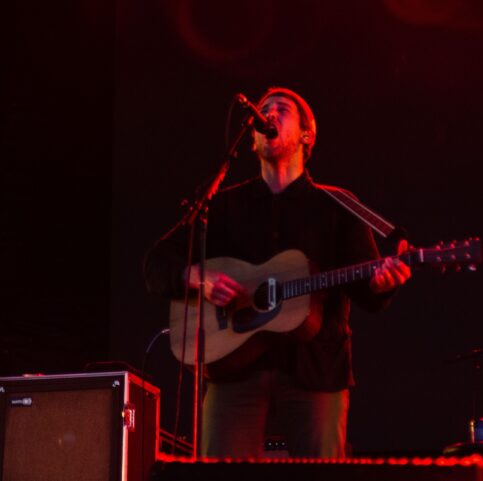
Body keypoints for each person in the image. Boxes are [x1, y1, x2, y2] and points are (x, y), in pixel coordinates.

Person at [144, 87, 411, 458]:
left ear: (307, 135)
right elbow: (157, 264)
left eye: (281, 108)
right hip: (233, 369)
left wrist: (384, 283)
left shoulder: (337, 206)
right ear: (251, 139)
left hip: (316, 370)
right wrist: (201, 280)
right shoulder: (222, 205)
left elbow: (369, 291)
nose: (267, 114)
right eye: (262, 110)